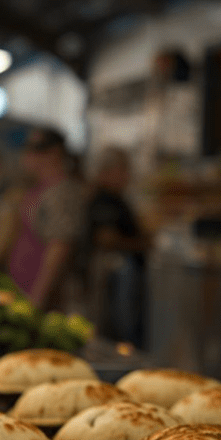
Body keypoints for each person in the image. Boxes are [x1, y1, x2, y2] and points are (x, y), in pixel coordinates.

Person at [6, 127, 88, 311]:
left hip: (47, 300)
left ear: (55, 152)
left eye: (35, 148)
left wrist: (37, 298)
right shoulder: (40, 188)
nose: (27, 154)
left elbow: (60, 245)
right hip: (24, 289)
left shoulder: (62, 192)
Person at [84, 146, 147, 345]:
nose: (128, 176)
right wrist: (142, 244)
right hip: (116, 271)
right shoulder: (104, 199)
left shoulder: (116, 198)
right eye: (123, 170)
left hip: (119, 272)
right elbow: (106, 238)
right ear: (107, 171)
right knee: (120, 330)